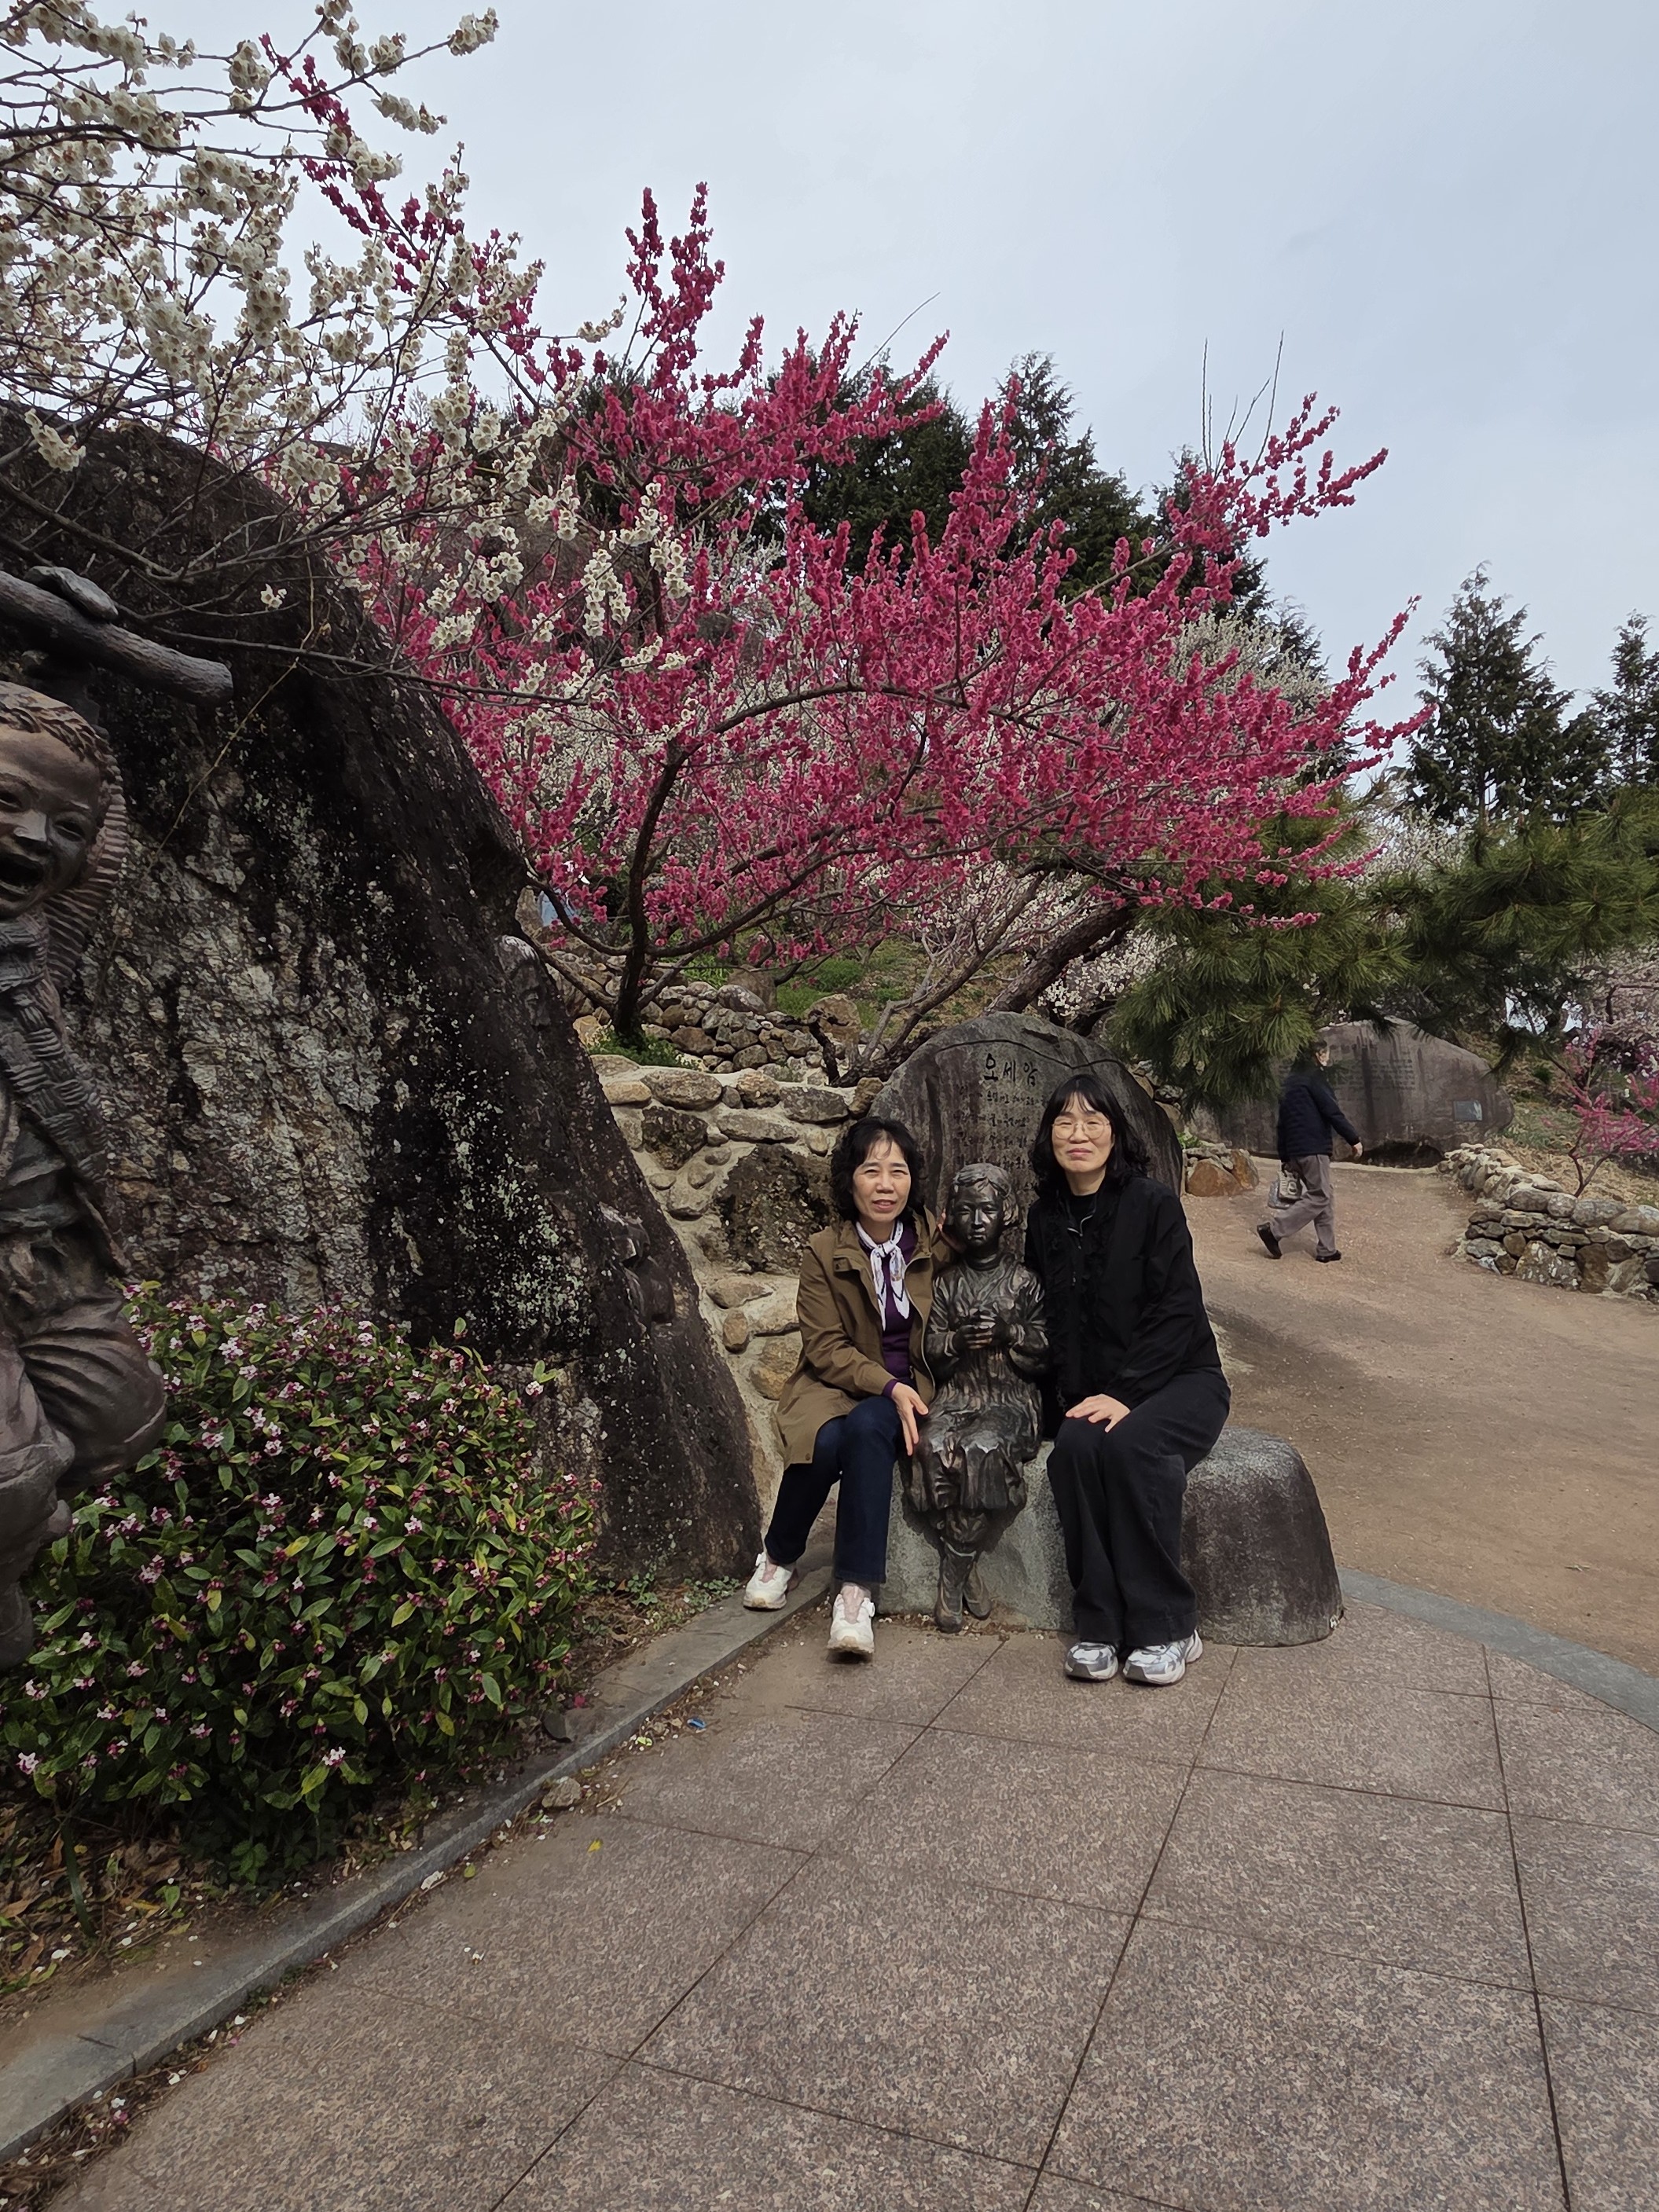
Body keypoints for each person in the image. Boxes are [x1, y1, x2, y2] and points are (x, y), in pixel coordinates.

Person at [1024, 1073, 1229, 1687]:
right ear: (1049, 1134)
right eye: (1064, 1121)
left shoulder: (1152, 1204)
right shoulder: (1043, 1216)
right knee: (1074, 1449)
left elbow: (1177, 1309)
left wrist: (1125, 1392)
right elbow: (1043, 1317)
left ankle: (1167, 1624)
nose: (1078, 1133)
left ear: (1115, 1134)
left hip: (1181, 1379)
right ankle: (1099, 1623)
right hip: (1099, 1391)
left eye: (1093, 1120)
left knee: (1131, 1446)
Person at [743, 1117, 950, 1659]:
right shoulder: (822, 1250)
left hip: (911, 1387)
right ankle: (779, 1555)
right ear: (849, 1179)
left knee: (864, 1430)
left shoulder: (932, 1240)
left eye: (898, 1171)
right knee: (824, 1437)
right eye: (871, 1170)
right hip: (838, 1382)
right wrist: (886, 1385)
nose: (885, 1185)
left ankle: (855, 1593)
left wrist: (900, 1389)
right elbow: (826, 1347)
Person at [1257, 1039, 1364, 1264]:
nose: (1327, 1058)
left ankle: (1327, 1249)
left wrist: (1285, 1156)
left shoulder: (1289, 1083)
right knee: (1320, 1195)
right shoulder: (1314, 1078)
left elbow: (1282, 1123)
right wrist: (1353, 1139)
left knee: (1325, 1194)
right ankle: (1274, 1230)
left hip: (1295, 1150)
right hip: (1313, 1148)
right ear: (1317, 1055)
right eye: (1325, 1054)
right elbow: (1332, 1111)